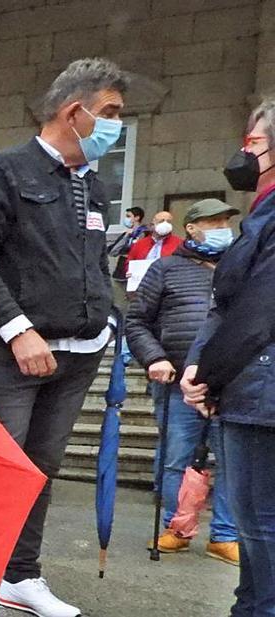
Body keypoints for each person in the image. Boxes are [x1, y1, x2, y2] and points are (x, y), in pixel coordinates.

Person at [0, 58, 127, 617]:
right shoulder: (6, 171)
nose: (115, 126)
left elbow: (93, 262)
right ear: (73, 112)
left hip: (79, 354)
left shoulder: (94, 187)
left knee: (40, 470)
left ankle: (19, 575)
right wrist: (17, 329)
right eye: (110, 113)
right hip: (19, 354)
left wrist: (107, 320)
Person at [183, 98, 275, 615]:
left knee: (260, 525)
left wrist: (207, 377)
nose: (244, 153)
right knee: (257, 528)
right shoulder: (263, 216)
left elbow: (257, 312)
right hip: (253, 389)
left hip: (260, 394)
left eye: (255, 144)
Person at [127, 199, 240, 564]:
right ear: (191, 227)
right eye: (214, 220)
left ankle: (224, 535)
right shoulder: (164, 270)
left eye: (226, 219)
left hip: (231, 382)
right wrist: (154, 357)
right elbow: (137, 321)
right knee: (177, 458)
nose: (223, 225)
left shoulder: (241, 267)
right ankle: (177, 528)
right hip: (176, 381)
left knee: (231, 460)